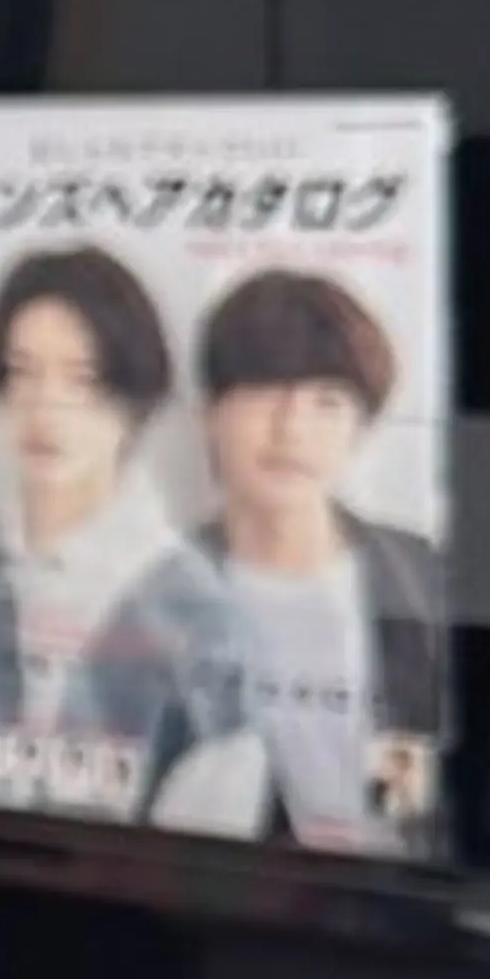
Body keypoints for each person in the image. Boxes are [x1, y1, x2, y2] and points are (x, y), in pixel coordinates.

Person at [0, 243, 249, 824]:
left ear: (134, 397)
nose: (44, 405)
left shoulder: (195, 607)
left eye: (82, 379)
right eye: (21, 372)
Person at [187, 266, 448, 854]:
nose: (292, 428)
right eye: (264, 393)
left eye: (327, 402)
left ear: (362, 426)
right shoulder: (160, 587)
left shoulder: (423, 574)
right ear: (209, 411)